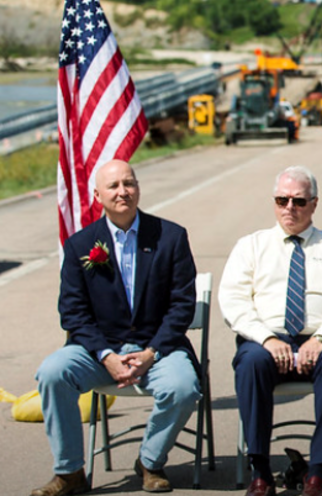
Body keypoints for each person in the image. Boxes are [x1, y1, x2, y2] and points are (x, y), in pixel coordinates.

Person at [32, 160, 201, 496]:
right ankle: (69, 473)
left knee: (183, 387)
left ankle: (150, 462)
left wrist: (152, 352)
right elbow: (73, 312)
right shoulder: (81, 246)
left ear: (138, 188)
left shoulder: (170, 236)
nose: (123, 191)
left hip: (158, 349)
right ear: (98, 195)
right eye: (113, 186)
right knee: (52, 373)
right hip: (100, 351)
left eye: (129, 183)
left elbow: (182, 305)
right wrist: (106, 355)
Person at [220, 166, 322, 496]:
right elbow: (233, 299)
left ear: (314, 204)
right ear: (274, 202)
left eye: (298, 201)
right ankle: (260, 471)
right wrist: (267, 338)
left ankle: (318, 472)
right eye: (282, 200)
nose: (289, 208)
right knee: (251, 362)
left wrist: (321, 338)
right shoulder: (251, 246)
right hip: (267, 338)